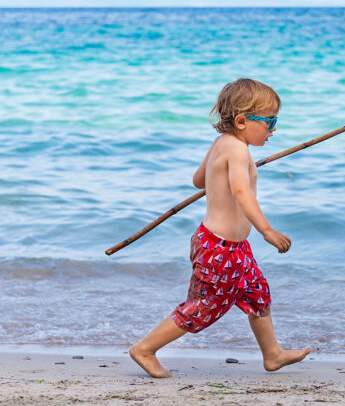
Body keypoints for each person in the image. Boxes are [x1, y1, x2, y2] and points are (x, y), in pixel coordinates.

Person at [129, 78, 311, 378]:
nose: (274, 129)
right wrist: (266, 230)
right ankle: (145, 348)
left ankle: (273, 354)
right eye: (270, 121)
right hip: (220, 249)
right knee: (203, 307)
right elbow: (242, 194)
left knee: (257, 294)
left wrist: (227, 171)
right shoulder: (238, 151)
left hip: (234, 247)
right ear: (242, 121)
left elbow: (198, 181)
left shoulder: (222, 144)